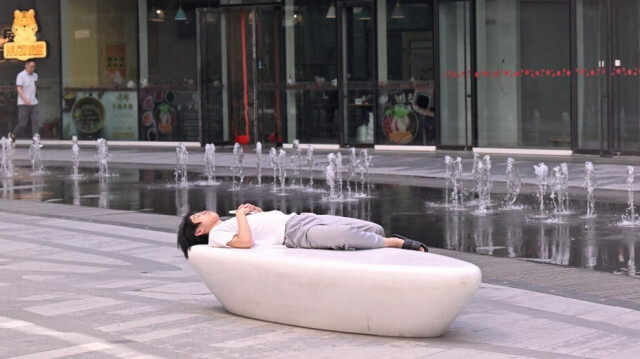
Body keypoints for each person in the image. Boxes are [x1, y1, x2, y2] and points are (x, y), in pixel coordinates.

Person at [177, 203, 427, 259]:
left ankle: (384, 238)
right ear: (199, 232)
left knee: (371, 228)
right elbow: (244, 242)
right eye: (199, 217)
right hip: (294, 235)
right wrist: (242, 214)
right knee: (345, 236)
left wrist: (257, 211)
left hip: (298, 219)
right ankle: (395, 243)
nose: (205, 212)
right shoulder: (218, 235)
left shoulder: (229, 222)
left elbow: (263, 227)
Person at [8, 59, 39, 143]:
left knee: (35, 122)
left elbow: (34, 87)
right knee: (23, 123)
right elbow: (19, 89)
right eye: (31, 67)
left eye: (34, 67)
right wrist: (25, 99)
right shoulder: (21, 75)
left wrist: (33, 97)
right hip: (23, 103)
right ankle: (13, 135)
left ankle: (36, 140)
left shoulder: (35, 76)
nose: (33, 68)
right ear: (26, 66)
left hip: (34, 103)